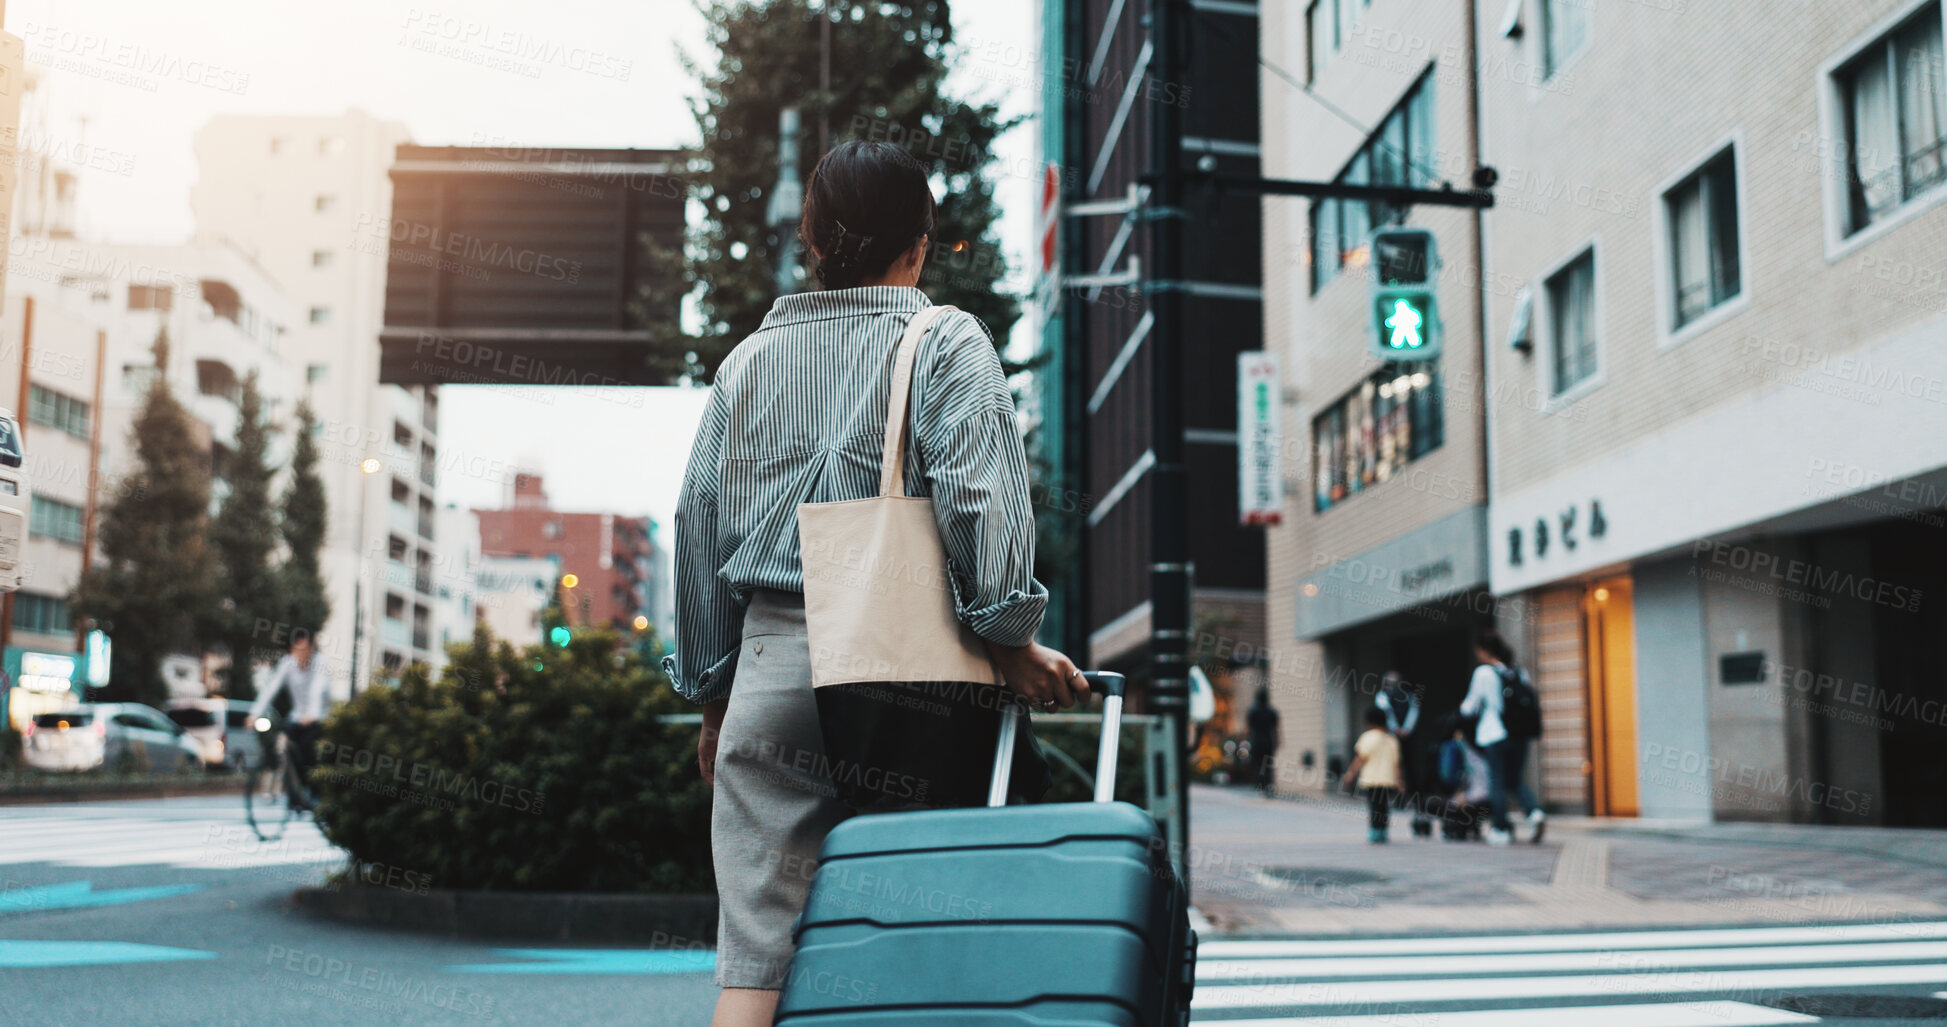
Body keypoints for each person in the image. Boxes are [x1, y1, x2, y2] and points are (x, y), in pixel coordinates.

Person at [663, 140, 1086, 1027]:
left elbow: (697, 526)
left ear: (812, 244)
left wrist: (713, 696)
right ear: (921, 243)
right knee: (932, 934)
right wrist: (1009, 638)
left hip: (771, 670)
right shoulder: (942, 341)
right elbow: (983, 505)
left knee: (755, 955)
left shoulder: (743, 366)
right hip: (907, 675)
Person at [1458, 630, 1545, 846]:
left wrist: (1461, 710)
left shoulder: (1484, 673)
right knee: (1514, 780)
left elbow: (1470, 706)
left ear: (1484, 650)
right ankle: (1534, 813)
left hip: (1495, 734)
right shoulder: (1518, 672)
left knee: (1497, 781)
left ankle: (1501, 829)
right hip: (1519, 735)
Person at [244, 634, 331, 811]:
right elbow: (271, 689)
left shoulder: (320, 664)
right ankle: (294, 797)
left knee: (308, 748)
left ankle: (314, 792)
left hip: (318, 717)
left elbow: (317, 691)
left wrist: (312, 715)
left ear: (311, 650)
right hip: (296, 717)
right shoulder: (287, 663)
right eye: (297, 649)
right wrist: (254, 714)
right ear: (292, 650)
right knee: (286, 747)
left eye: (305, 649)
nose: (301, 653)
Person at [1373, 671, 1427, 835]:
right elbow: (1387, 712)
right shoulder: (1383, 696)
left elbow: (1412, 712)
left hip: (1402, 736)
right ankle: (1398, 799)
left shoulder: (1408, 696)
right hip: (1393, 737)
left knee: (1408, 769)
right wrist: (1399, 729)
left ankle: (1412, 800)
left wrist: (1404, 729)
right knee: (1395, 769)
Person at [1342, 706, 1402, 843]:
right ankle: (1383, 831)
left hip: (1372, 779)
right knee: (1384, 806)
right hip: (1388, 779)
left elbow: (1360, 758)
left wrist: (1351, 773)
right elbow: (1396, 763)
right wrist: (1399, 780)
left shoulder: (1367, 737)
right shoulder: (1391, 739)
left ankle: (1375, 831)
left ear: (1369, 721)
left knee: (1374, 805)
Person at [1245, 687, 1282, 797]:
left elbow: (1248, 728)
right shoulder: (1271, 711)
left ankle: (1259, 786)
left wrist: (1247, 740)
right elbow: (1276, 729)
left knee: (1257, 764)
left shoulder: (1253, 711)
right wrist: (1278, 741)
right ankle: (1267, 786)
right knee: (1267, 764)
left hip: (1256, 740)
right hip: (1268, 741)